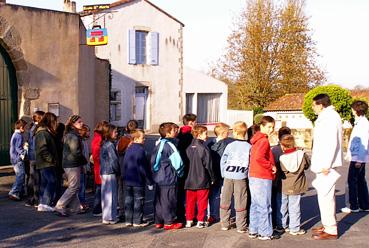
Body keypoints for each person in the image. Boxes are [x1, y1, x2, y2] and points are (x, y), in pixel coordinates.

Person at [310, 94, 342, 240]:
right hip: (324, 164)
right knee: (325, 196)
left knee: (326, 197)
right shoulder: (328, 116)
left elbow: (331, 142)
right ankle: (327, 224)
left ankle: (331, 229)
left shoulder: (329, 117)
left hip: (325, 165)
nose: (313, 108)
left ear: (320, 104)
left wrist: (326, 164)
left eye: (314, 105)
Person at [248, 116, 279, 241]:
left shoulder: (257, 139)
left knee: (255, 204)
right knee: (265, 206)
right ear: (261, 126)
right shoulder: (264, 141)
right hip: (262, 175)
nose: (271, 130)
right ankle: (265, 232)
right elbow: (259, 158)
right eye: (269, 127)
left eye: (272, 127)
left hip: (254, 175)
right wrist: (271, 166)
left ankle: (253, 230)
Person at [151, 122, 184, 230]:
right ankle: (169, 222)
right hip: (169, 177)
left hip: (159, 176)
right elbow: (177, 162)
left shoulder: (159, 143)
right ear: (169, 133)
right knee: (169, 200)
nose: (176, 132)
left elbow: (153, 161)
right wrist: (180, 173)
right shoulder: (170, 145)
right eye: (174, 130)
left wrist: (155, 172)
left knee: (159, 200)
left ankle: (158, 221)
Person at [219, 121, 251, 233]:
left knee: (225, 199)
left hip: (228, 175)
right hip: (241, 176)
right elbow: (250, 163)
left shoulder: (230, 145)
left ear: (235, 132)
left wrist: (223, 173)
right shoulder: (249, 146)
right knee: (241, 200)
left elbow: (223, 160)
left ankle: (224, 223)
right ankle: (241, 226)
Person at [276, 134, 310, 235]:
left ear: (282, 146)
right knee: (294, 207)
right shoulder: (302, 154)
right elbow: (307, 165)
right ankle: (294, 228)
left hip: (283, 185)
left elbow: (278, 171)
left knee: (282, 206)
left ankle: (281, 225)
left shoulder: (281, 158)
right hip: (297, 185)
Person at [54, 115, 88, 216]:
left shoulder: (71, 134)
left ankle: (76, 208)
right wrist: (84, 161)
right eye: (79, 122)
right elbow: (75, 152)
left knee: (74, 187)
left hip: (70, 163)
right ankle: (60, 205)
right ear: (73, 124)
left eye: (81, 121)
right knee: (73, 187)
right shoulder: (73, 136)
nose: (81, 123)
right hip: (72, 164)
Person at [185, 125, 215, 228]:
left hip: (189, 179)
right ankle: (200, 220)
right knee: (202, 201)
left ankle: (189, 220)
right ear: (198, 134)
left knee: (190, 202)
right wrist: (212, 178)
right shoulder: (204, 148)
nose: (207, 135)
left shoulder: (188, 147)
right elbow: (208, 165)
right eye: (205, 133)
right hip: (202, 179)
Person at [341, 100, 369, 213]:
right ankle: (364, 204)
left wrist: (358, 159)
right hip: (359, 157)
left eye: (353, 109)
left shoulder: (363, 124)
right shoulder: (361, 123)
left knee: (352, 181)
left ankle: (353, 205)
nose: (351, 111)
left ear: (356, 110)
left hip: (358, 158)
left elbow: (363, 142)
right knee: (361, 181)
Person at [123, 129, 154, 227]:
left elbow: (124, 164)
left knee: (128, 200)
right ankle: (137, 220)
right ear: (136, 139)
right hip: (138, 179)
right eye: (143, 138)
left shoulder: (129, 149)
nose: (144, 139)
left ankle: (128, 219)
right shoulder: (141, 150)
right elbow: (144, 168)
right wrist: (149, 181)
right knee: (138, 200)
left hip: (128, 179)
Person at [206, 123, 234, 225]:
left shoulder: (210, 143)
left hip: (213, 173)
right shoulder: (226, 145)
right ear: (223, 133)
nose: (229, 133)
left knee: (212, 195)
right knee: (225, 195)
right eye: (228, 132)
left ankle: (211, 215)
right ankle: (225, 216)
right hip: (223, 173)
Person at [34, 112, 59, 212]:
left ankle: (42, 203)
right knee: (51, 181)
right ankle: (45, 203)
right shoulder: (42, 133)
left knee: (45, 183)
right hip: (46, 163)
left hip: (45, 162)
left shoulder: (44, 132)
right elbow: (43, 149)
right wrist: (51, 159)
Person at [176, 113, 197, 223]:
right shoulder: (189, 135)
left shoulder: (178, 134)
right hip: (189, 165)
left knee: (179, 192)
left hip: (179, 165)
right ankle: (189, 214)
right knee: (189, 192)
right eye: (195, 122)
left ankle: (179, 213)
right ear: (191, 123)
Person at [271, 126, 292, 229]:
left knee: (276, 202)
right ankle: (285, 223)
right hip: (290, 181)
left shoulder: (274, 150)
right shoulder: (294, 151)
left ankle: (276, 222)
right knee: (287, 204)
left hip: (276, 180)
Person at [100, 123, 120, 224]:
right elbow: (114, 160)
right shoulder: (110, 145)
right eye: (115, 132)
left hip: (104, 171)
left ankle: (106, 216)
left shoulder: (105, 143)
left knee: (106, 195)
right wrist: (118, 171)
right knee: (111, 195)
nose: (117, 133)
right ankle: (110, 217)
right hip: (110, 171)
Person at [25, 110, 45, 207]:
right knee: (37, 179)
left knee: (32, 178)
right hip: (37, 156)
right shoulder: (38, 129)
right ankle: (36, 200)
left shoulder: (32, 127)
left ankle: (30, 199)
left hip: (32, 156)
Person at [91, 121, 108, 216]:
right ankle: (97, 209)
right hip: (100, 167)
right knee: (99, 189)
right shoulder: (99, 139)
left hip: (100, 167)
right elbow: (97, 155)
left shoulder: (98, 138)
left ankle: (99, 208)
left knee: (100, 188)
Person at [8, 119, 28, 201]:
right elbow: (18, 148)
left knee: (19, 175)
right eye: (25, 127)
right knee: (21, 175)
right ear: (21, 127)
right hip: (17, 159)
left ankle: (19, 192)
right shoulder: (18, 135)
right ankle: (14, 192)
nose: (26, 129)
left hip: (14, 158)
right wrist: (25, 150)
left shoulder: (15, 134)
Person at [78, 124, 91, 211]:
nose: (89, 133)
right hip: (81, 166)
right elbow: (81, 155)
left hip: (85, 166)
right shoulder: (81, 142)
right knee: (81, 186)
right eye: (87, 131)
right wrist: (83, 166)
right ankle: (80, 203)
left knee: (83, 186)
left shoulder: (85, 141)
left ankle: (82, 202)